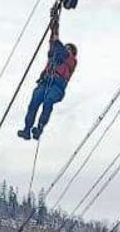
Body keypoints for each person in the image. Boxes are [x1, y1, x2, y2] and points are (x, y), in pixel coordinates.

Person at [18, 8, 76, 141]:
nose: (66, 49)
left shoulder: (71, 60)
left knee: (48, 101)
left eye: (69, 48)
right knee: (34, 102)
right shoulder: (55, 53)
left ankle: (39, 128)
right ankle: (27, 129)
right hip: (45, 82)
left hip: (57, 87)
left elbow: (58, 45)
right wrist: (54, 21)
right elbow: (54, 38)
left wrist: (56, 39)